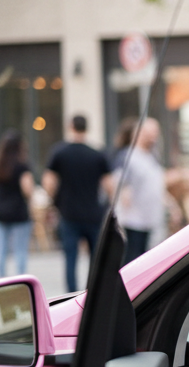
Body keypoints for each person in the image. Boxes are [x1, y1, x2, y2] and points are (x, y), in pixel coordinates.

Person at [43, 115, 114, 292]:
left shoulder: (59, 152)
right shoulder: (97, 154)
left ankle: (72, 294)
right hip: (93, 214)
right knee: (96, 259)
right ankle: (93, 293)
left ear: (71, 127)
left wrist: (54, 201)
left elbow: (49, 182)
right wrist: (106, 206)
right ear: (86, 128)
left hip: (69, 213)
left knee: (70, 258)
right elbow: (109, 187)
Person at [113, 117, 166, 263]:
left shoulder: (152, 156)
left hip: (150, 220)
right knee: (133, 260)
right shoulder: (129, 156)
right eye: (151, 133)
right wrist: (124, 194)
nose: (154, 137)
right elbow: (120, 181)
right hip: (133, 221)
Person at [0, 131, 34, 277]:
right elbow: (28, 190)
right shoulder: (22, 166)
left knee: (1, 250)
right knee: (20, 251)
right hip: (19, 213)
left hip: (1, 212)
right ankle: (20, 280)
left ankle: (0, 280)